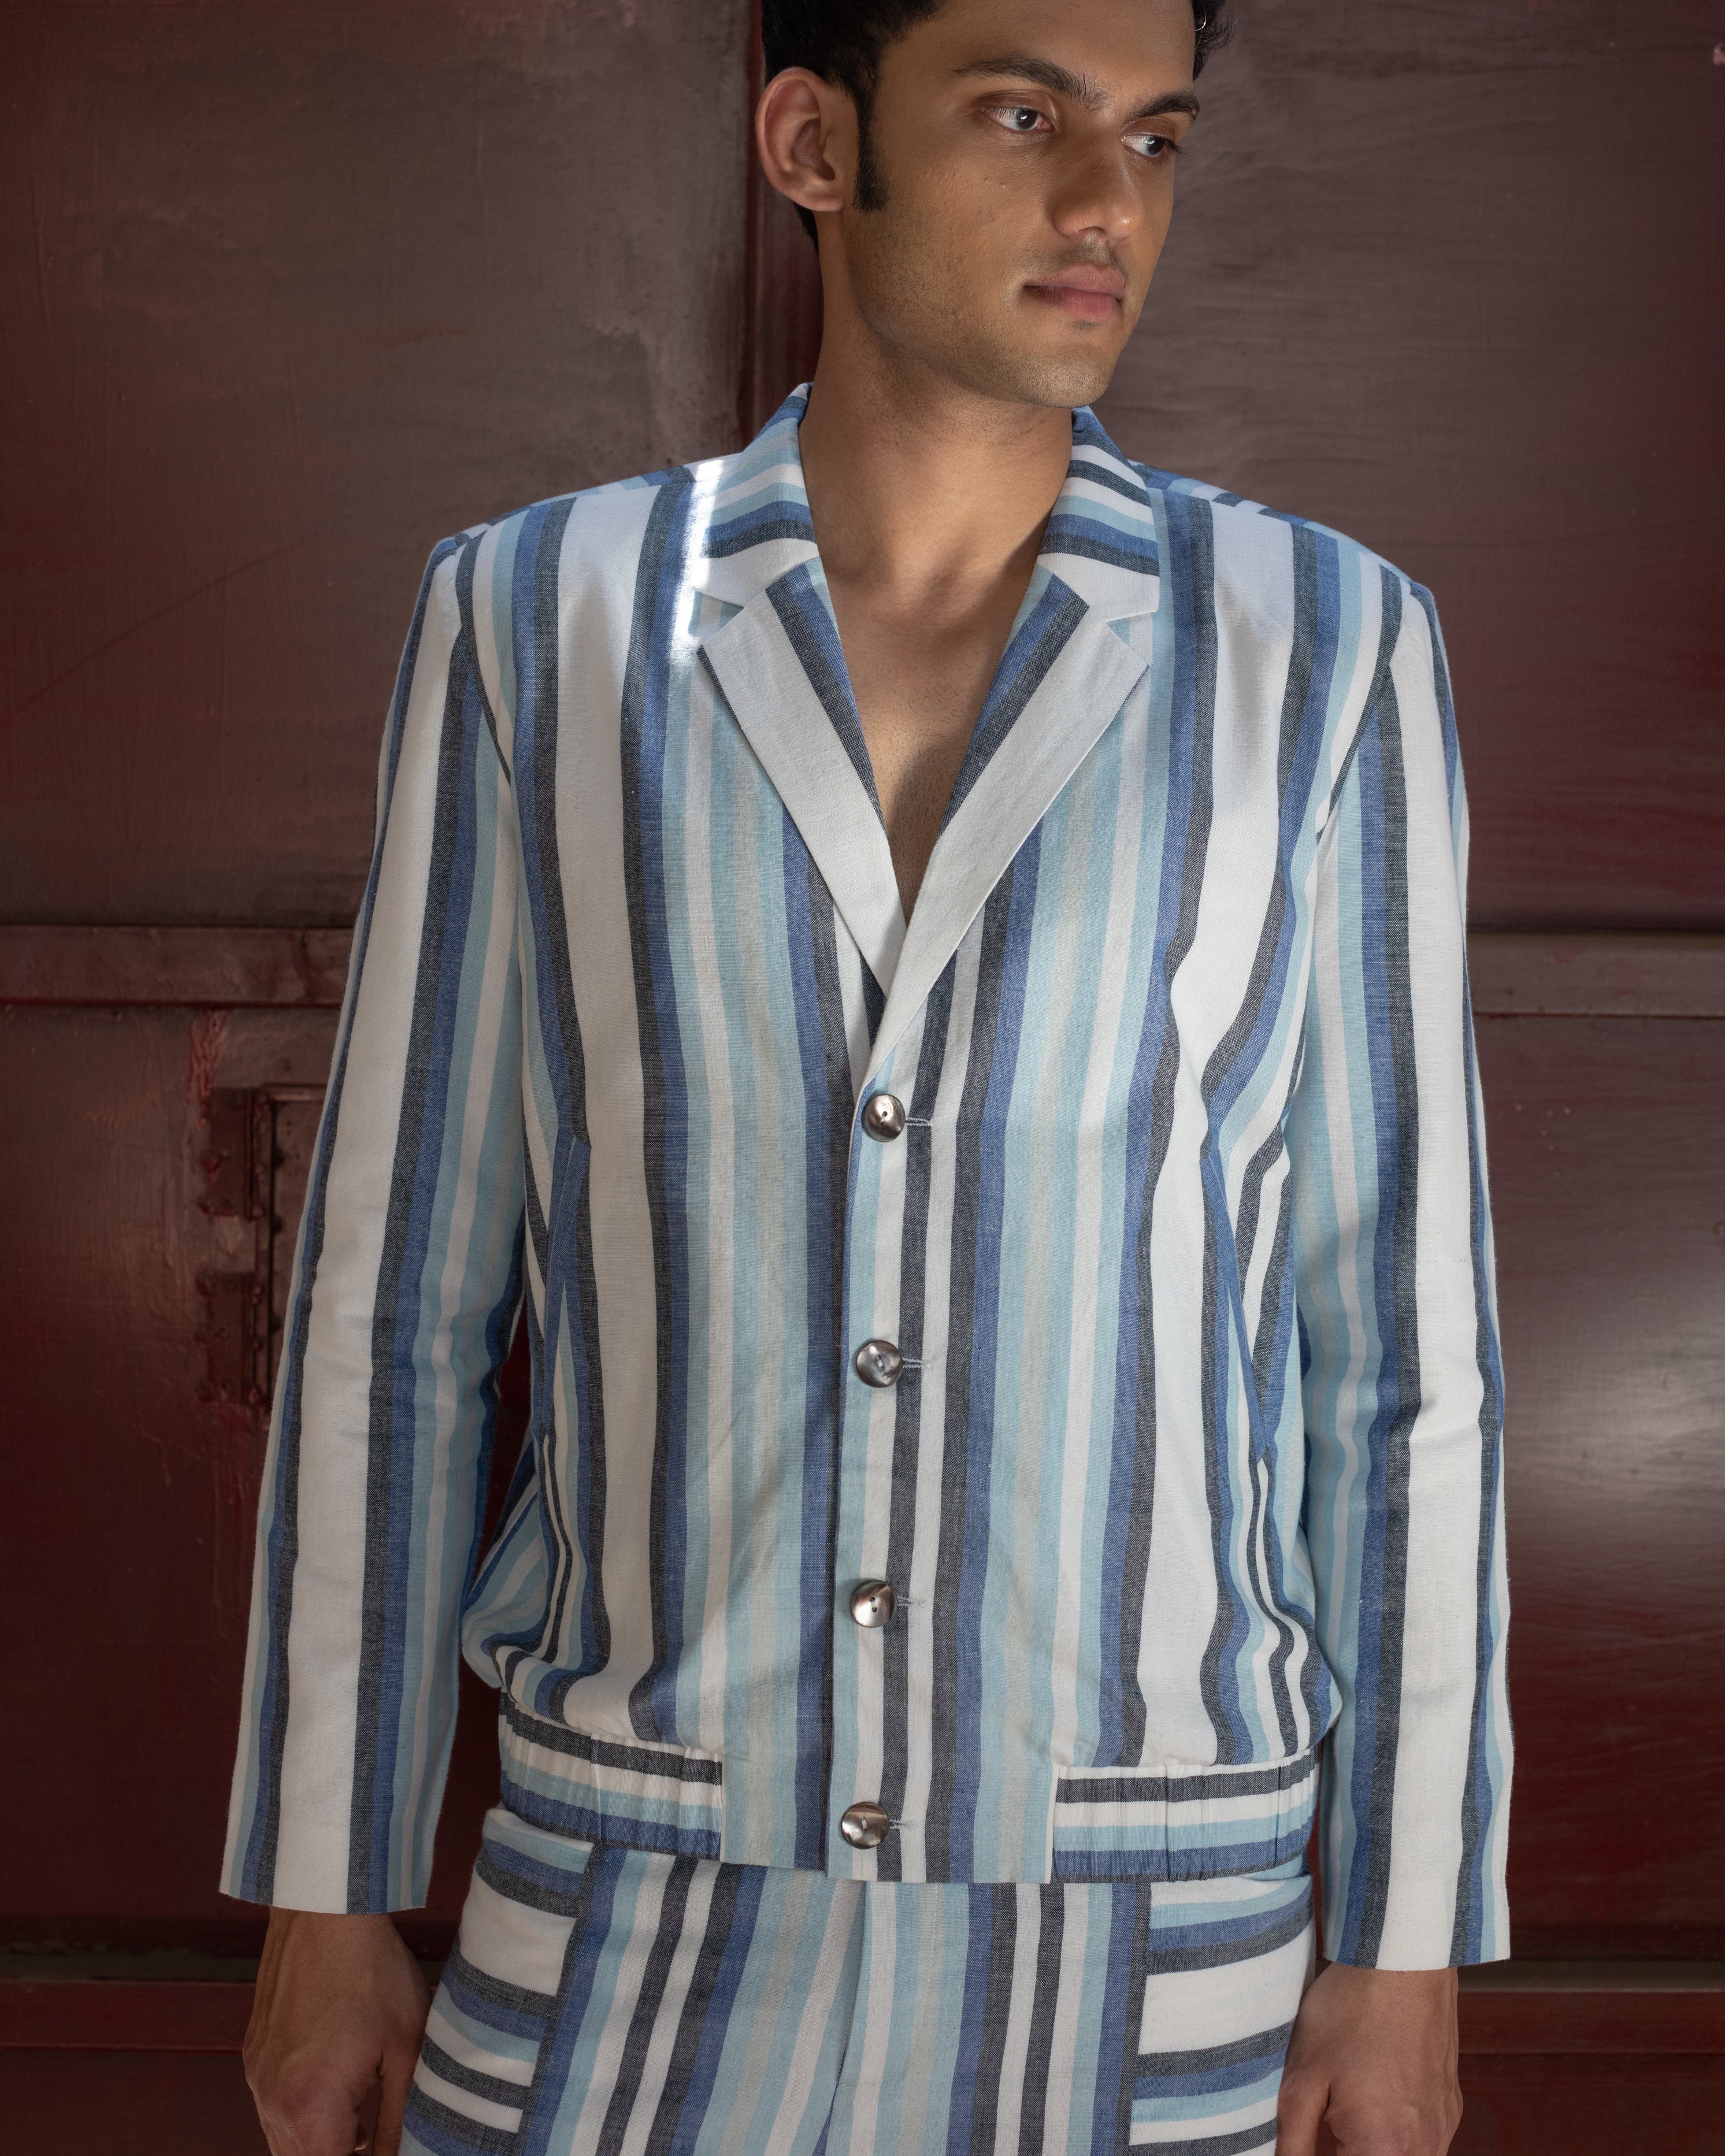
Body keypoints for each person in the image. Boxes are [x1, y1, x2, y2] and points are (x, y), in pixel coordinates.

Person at [228, 0, 1511, 2149]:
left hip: (1158, 1884)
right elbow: (395, 1311)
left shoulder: (1324, 643)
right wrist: (324, 1891)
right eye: (1022, 115)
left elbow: (1399, 1350)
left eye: (1156, 138)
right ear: (814, 145)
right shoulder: (536, 617)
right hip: (629, 1867)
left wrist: (1402, 1943)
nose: (1106, 203)